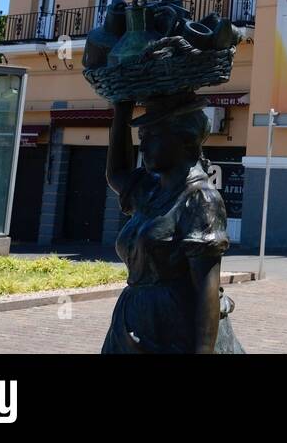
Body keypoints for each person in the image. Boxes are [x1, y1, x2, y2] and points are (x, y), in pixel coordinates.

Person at [103, 96, 244, 353]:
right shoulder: (150, 190)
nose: (142, 148)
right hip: (132, 320)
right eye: (141, 137)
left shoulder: (201, 199)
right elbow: (117, 174)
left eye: (150, 137)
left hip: (173, 327)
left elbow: (206, 290)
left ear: (184, 139)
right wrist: (122, 107)